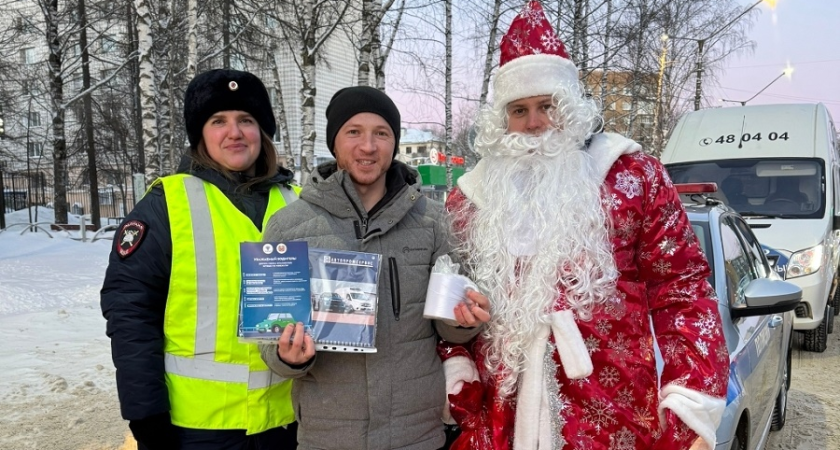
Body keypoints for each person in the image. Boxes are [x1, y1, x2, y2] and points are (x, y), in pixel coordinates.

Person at [437, 2, 729, 450]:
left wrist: (689, 401)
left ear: (569, 108)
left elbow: (682, 289)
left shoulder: (632, 178)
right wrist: (457, 364)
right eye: (519, 110)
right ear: (501, 120)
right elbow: (445, 301)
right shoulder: (470, 199)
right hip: (500, 418)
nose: (534, 124)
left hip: (612, 413)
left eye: (547, 105)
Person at [258, 86, 490, 450]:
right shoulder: (289, 227)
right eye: (354, 132)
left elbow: (451, 330)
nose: (368, 146)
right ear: (335, 143)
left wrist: (464, 320)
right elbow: (272, 338)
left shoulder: (431, 222)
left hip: (416, 433)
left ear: (394, 144)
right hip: (329, 434)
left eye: (381, 133)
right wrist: (289, 356)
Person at [101, 69, 300, 449]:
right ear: (200, 135)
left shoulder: (297, 202)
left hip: (285, 422)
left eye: (246, 120)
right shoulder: (167, 205)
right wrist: (146, 415)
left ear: (263, 131)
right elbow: (130, 315)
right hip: (197, 430)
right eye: (218, 121)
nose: (235, 132)